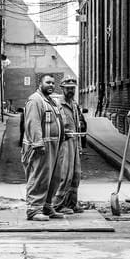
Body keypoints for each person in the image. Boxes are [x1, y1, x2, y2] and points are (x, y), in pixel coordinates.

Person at [22, 74, 64, 221]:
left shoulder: (50, 101)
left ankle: (47, 206)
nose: (51, 85)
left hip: (53, 146)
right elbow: (32, 123)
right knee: (39, 177)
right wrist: (37, 143)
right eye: (48, 82)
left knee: (53, 178)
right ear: (40, 84)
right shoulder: (35, 100)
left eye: (53, 83)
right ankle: (34, 209)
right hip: (40, 146)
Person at [52, 77, 86, 214]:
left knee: (76, 174)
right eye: (68, 88)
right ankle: (58, 205)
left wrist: (79, 146)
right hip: (64, 143)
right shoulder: (58, 104)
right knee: (65, 174)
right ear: (62, 88)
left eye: (73, 88)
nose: (71, 90)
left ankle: (72, 203)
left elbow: (77, 125)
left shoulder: (74, 104)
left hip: (74, 142)